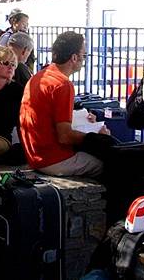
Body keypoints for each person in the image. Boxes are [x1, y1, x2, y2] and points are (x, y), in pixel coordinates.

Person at [19, 31, 108, 177]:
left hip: (34, 153)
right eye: (84, 56)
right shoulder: (63, 84)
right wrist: (97, 136)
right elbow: (65, 136)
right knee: (109, 163)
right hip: (52, 159)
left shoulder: (41, 75)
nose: (84, 60)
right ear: (74, 58)